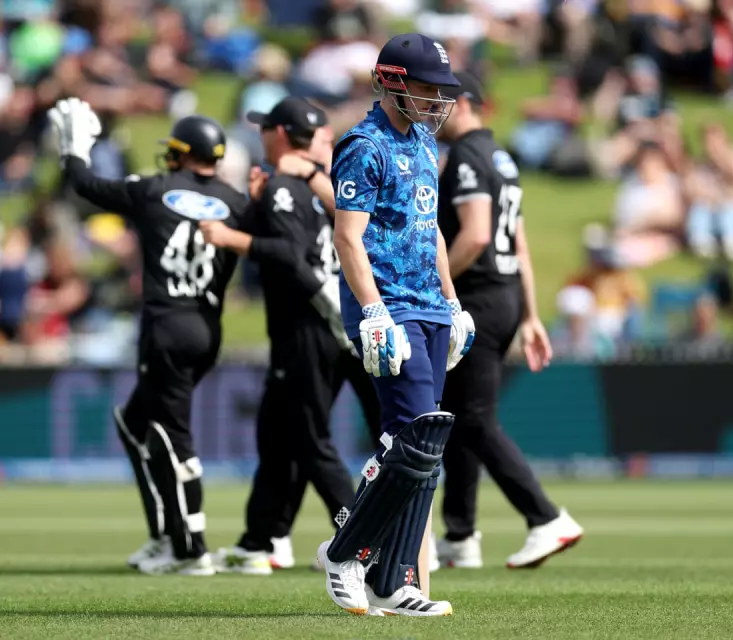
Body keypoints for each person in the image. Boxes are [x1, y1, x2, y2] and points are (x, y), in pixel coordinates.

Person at [47, 98, 300, 576]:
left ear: (182, 152)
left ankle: (190, 547)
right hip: (206, 328)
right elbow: (281, 245)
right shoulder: (236, 202)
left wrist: (73, 147)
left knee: (171, 434)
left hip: (165, 326)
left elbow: (83, 185)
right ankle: (166, 534)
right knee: (135, 423)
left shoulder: (153, 189)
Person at [316, 33, 475, 617]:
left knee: (422, 446)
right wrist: (373, 310)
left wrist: (453, 303)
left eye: (441, 90)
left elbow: (431, 230)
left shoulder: (425, 141)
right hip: (391, 305)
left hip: (429, 305)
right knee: (413, 440)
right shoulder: (363, 145)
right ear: (391, 82)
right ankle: (345, 552)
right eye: (427, 88)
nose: (438, 100)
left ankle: (396, 578)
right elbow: (347, 237)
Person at [199, 97, 381, 574]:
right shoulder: (314, 187)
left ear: (279, 134)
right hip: (326, 323)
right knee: (278, 433)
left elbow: (287, 253)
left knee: (308, 437)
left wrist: (231, 237)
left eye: (265, 128)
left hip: (306, 326)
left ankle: (359, 540)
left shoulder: (284, 185)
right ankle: (261, 540)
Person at [435, 72, 584, 569]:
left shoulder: (466, 157)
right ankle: (460, 534)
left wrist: (435, 283)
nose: (431, 112)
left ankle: (545, 517)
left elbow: (477, 235)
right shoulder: (502, 158)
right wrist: (531, 314)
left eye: (439, 102)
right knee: (459, 414)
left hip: (477, 297)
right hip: (504, 296)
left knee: (475, 419)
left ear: (462, 104)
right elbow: (518, 244)